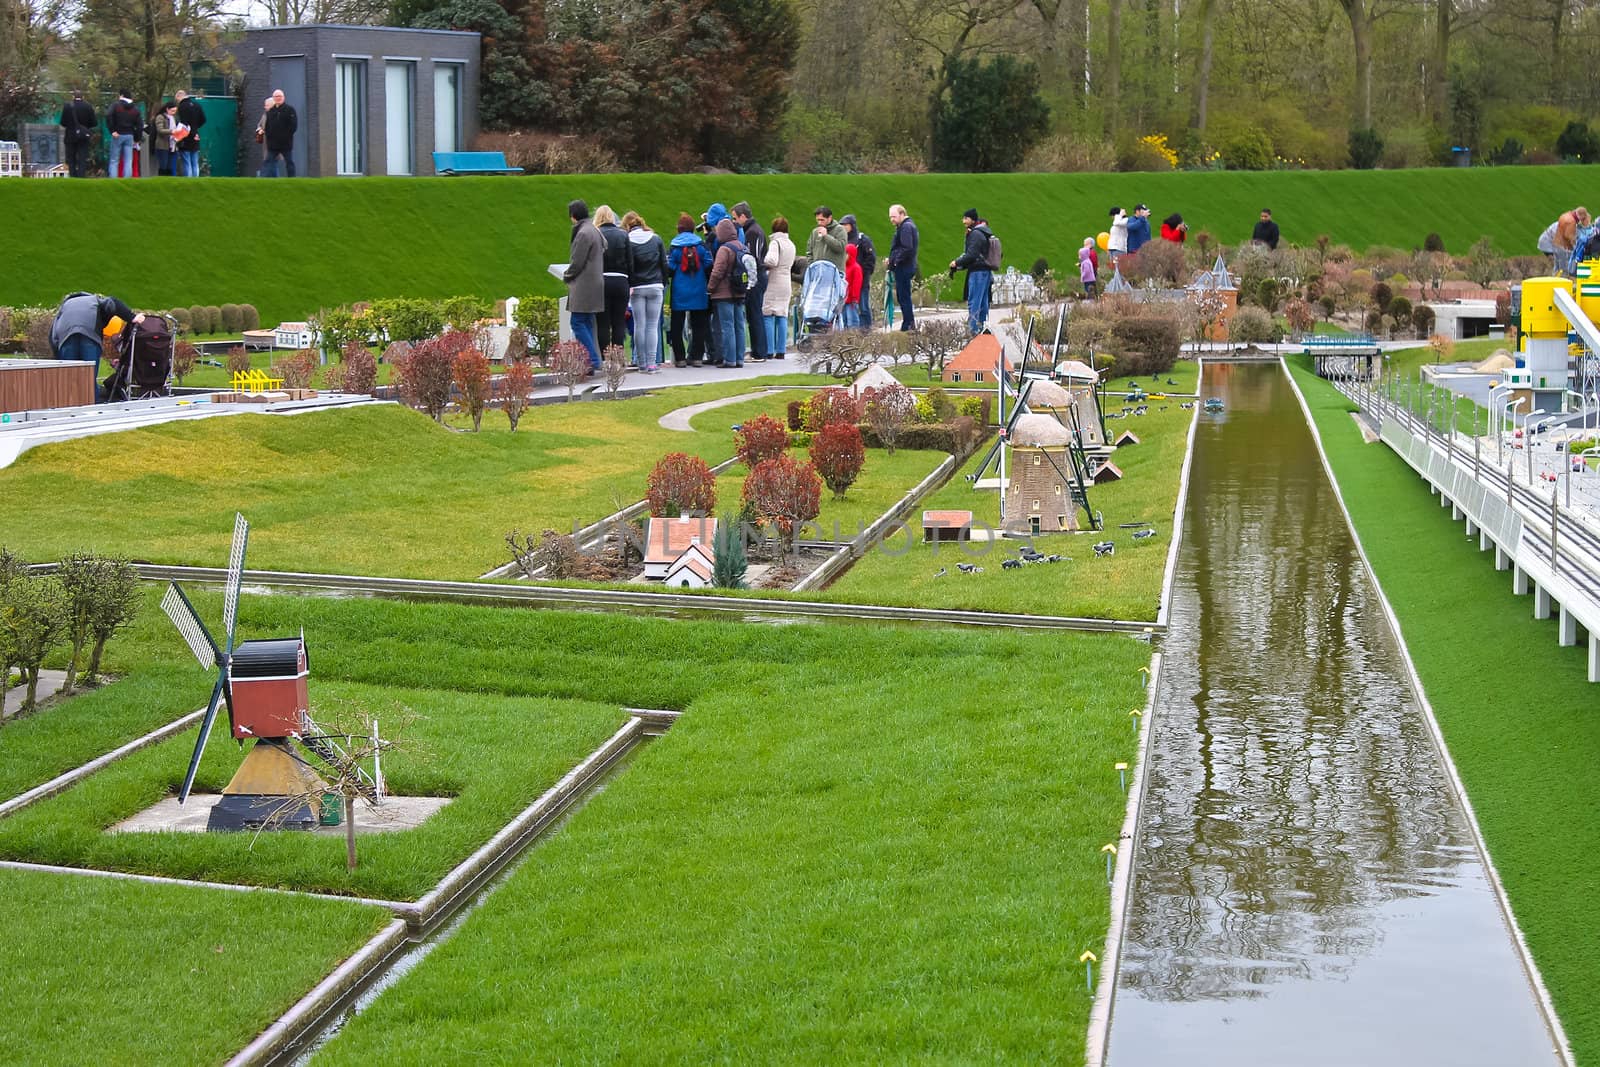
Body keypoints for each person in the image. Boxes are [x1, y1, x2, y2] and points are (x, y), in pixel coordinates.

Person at [49, 293, 144, 401]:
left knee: (69, 379)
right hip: (89, 335)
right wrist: (133, 317)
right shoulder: (95, 300)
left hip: (65, 337)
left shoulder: (65, 305)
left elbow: (52, 335)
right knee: (89, 379)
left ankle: (69, 409)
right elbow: (112, 303)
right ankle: (91, 409)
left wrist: (58, 357)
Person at [563, 199, 605, 370]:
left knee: (577, 322)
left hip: (584, 285)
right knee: (587, 321)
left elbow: (577, 261)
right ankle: (594, 359)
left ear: (573, 216)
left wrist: (567, 275)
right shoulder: (594, 230)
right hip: (596, 282)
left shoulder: (583, 233)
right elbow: (605, 246)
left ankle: (592, 360)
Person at [622, 211, 666, 374]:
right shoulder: (656, 239)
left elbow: (628, 265)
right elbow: (663, 263)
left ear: (627, 226)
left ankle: (641, 363)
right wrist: (662, 282)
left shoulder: (627, 241)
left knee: (639, 325)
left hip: (637, 287)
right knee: (652, 326)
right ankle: (652, 363)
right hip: (655, 285)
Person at [667, 213, 712, 367]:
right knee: (700, 325)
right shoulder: (700, 245)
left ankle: (679, 358)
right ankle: (697, 357)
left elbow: (670, 267)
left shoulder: (674, 247)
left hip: (680, 290)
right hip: (698, 288)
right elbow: (708, 263)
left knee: (676, 326)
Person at [707, 217, 750, 368]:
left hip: (724, 293)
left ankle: (729, 359)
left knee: (727, 326)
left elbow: (717, 271)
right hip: (740, 290)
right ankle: (739, 359)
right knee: (739, 325)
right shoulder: (742, 247)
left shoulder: (724, 249)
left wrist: (710, 288)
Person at [589, 205, 630, 357]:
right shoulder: (623, 235)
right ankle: (618, 356)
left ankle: (605, 358)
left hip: (602, 280)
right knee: (619, 321)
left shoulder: (595, 234)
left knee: (603, 323)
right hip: (621, 280)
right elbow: (629, 261)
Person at [731, 202, 769, 361]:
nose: (734, 222)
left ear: (743, 216)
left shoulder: (752, 233)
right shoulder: (756, 230)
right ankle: (758, 350)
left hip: (756, 275)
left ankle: (759, 352)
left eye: (735, 218)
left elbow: (752, 257)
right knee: (755, 313)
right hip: (760, 274)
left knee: (754, 314)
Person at [949, 208, 995, 335]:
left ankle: (973, 330)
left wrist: (957, 262)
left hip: (977, 272)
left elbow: (972, 254)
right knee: (983, 301)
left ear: (972, 219)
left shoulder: (975, 234)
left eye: (966, 218)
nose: (963, 221)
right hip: (985, 271)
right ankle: (982, 326)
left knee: (974, 300)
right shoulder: (984, 232)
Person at [762, 216, 796, 360]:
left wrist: (761, 261)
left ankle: (769, 350)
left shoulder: (775, 243)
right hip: (786, 281)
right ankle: (781, 350)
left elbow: (772, 260)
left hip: (774, 280)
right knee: (782, 314)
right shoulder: (791, 244)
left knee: (768, 313)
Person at [887, 204, 919, 332]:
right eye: (890, 217)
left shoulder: (906, 227)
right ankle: (908, 323)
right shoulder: (906, 226)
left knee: (903, 296)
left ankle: (908, 325)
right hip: (906, 266)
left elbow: (907, 248)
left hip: (904, 267)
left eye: (894, 216)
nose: (892, 220)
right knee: (903, 296)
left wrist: (895, 261)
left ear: (902, 214)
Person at [843, 214, 877, 329]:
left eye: (845, 225)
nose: (843, 227)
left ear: (852, 225)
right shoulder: (843, 240)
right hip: (847, 280)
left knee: (863, 306)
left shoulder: (862, 240)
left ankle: (865, 331)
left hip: (860, 278)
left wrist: (864, 274)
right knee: (847, 308)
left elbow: (871, 259)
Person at [58, 91, 96, 179]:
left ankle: (73, 175)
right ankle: (81, 176)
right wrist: (85, 128)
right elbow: (94, 122)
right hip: (83, 136)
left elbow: (63, 122)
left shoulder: (67, 106)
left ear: (73, 97)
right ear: (83, 97)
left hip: (70, 136)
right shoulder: (88, 106)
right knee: (82, 157)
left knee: (71, 157)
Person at [261, 89, 297, 177]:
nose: (278, 98)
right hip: (273, 144)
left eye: (280, 96)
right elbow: (268, 126)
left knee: (289, 162)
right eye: (276, 96)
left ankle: (292, 180)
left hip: (286, 143)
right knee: (268, 162)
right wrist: (269, 137)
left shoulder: (290, 110)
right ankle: (265, 180)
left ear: (283, 97)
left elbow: (293, 126)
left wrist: (286, 137)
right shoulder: (270, 112)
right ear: (273, 98)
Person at [105, 92, 142, 179]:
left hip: (117, 135)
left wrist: (112, 130)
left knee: (114, 160)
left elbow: (108, 115)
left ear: (121, 96)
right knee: (128, 160)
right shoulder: (135, 109)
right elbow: (139, 125)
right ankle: (127, 180)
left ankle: (113, 181)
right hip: (129, 135)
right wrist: (137, 138)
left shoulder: (116, 106)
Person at [807, 205, 848, 272]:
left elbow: (840, 248)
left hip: (834, 272)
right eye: (818, 220)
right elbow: (809, 251)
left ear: (830, 218)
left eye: (822, 220)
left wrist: (826, 236)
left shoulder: (840, 230)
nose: (819, 222)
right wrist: (812, 266)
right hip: (818, 271)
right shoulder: (815, 232)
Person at [175, 90, 205, 177]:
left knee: (186, 161)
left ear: (179, 97)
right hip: (195, 135)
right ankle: (196, 181)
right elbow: (203, 120)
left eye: (177, 100)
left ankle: (188, 181)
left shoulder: (182, 107)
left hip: (185, 136)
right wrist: (195, 129)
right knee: (195, 162)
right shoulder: (197, 105)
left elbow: (183, 123)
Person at [151, 101, 178, 177]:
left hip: (172, 145)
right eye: (172, 111)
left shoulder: (174, 118)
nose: (174, 113)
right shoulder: (160, 117)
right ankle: (162, 180)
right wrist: (171, 131)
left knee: (170, 167)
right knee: (163, 166)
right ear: (167, 109)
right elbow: (160, 130)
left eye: (175, 111)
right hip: (162, 146)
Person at [842, 243, 864, 329]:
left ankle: (854, 338)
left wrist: (854, 298)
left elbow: (857, 284)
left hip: (851, 300)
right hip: (843, 300)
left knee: (852, 321)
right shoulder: (844, 267)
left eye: (846, 254)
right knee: (843, 321)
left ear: (850, 254)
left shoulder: (856, 268)